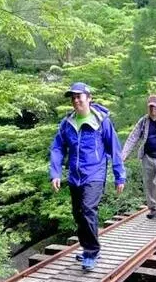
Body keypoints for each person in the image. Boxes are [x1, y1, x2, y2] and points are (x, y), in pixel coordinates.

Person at [50, 82, 126, 271]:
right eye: (73, 97)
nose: (76, 100)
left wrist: (119, 176)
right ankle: (87, 249)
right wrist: (55, 173)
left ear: (89, 98)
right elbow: (58, 148)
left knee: (87, 209)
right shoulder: (67, 123)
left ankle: (91, 252)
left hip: (95, 173)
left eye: (79, 96)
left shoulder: (102, 121)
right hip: (75, 176)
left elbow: (114, 149)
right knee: (78, 213)